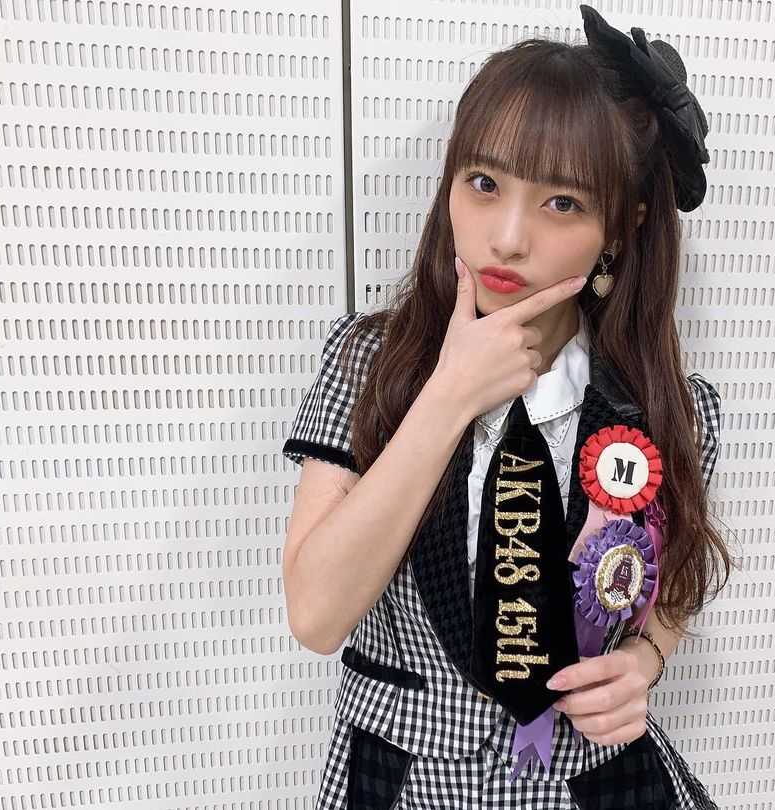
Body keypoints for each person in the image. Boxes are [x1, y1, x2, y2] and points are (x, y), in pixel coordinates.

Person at [281, 6, 731, 808]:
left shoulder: (668, 408)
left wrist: (645, 661)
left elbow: (675, 574)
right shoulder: (371, 366)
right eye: (484, 184)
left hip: (589, 781)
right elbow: (316, 614)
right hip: (408, 781)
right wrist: (449, 394)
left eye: (563, 203)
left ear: (620, 228)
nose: (508, 238)